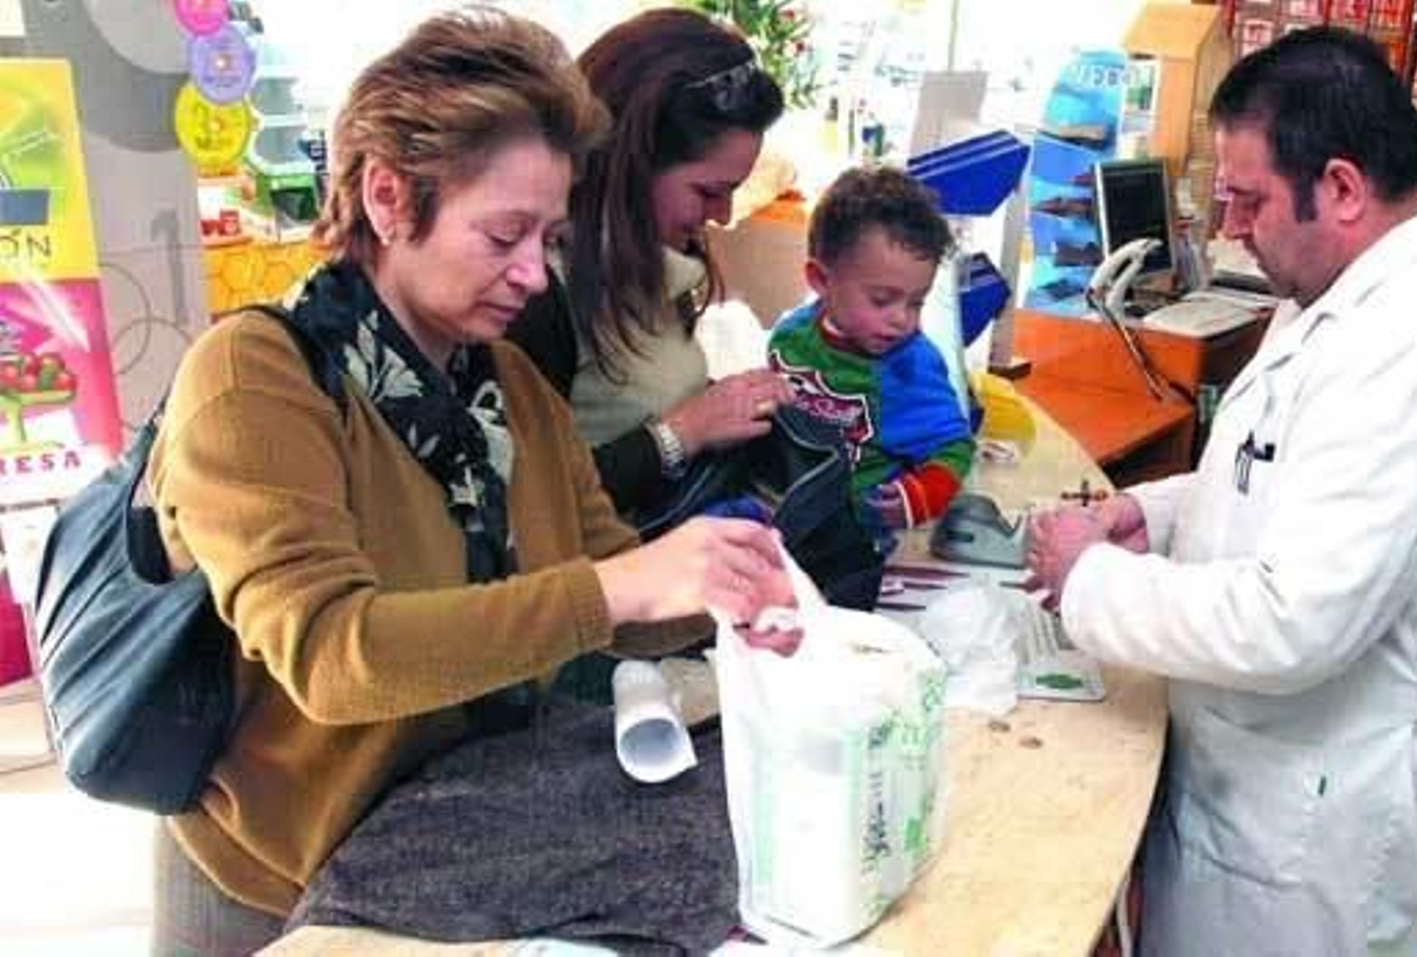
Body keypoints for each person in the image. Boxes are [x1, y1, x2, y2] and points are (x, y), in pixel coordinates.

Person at [145, 11, 795, 953]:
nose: (535, 274)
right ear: (386, 196)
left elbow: (611, 574)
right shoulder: (255, 381)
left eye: (551, 236)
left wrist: (723, 588)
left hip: (446, 830)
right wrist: (620, 584)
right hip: (277, 878)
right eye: (504, 236)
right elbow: (331, 652)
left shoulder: (511, 391)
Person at [1024, 27, 1417, 955]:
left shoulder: (1413, 345)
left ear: (1340, 187)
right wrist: (1154, 514)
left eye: (1249, 200)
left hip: (1316, 830)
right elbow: (1274, 469)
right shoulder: (1343, 292)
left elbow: (1294, 617)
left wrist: (1086, 579)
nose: (1231, 229)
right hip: (1256, 776)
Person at [506, 8, 794, 520]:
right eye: (709, 192)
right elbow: (523, 505)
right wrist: (682, 432)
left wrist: (730, 403)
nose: (722, 216)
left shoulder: (661, 267)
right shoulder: (534, 291)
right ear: (629, 164)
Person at [767, 166, 974, 533]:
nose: (902, 321)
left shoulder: (911, 365)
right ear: (821, 280)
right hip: (782, 499)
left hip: (853, 526)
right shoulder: (788, 336)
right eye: (882, 300)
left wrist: (919, 496)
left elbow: (954, 446)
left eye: (916, 303)